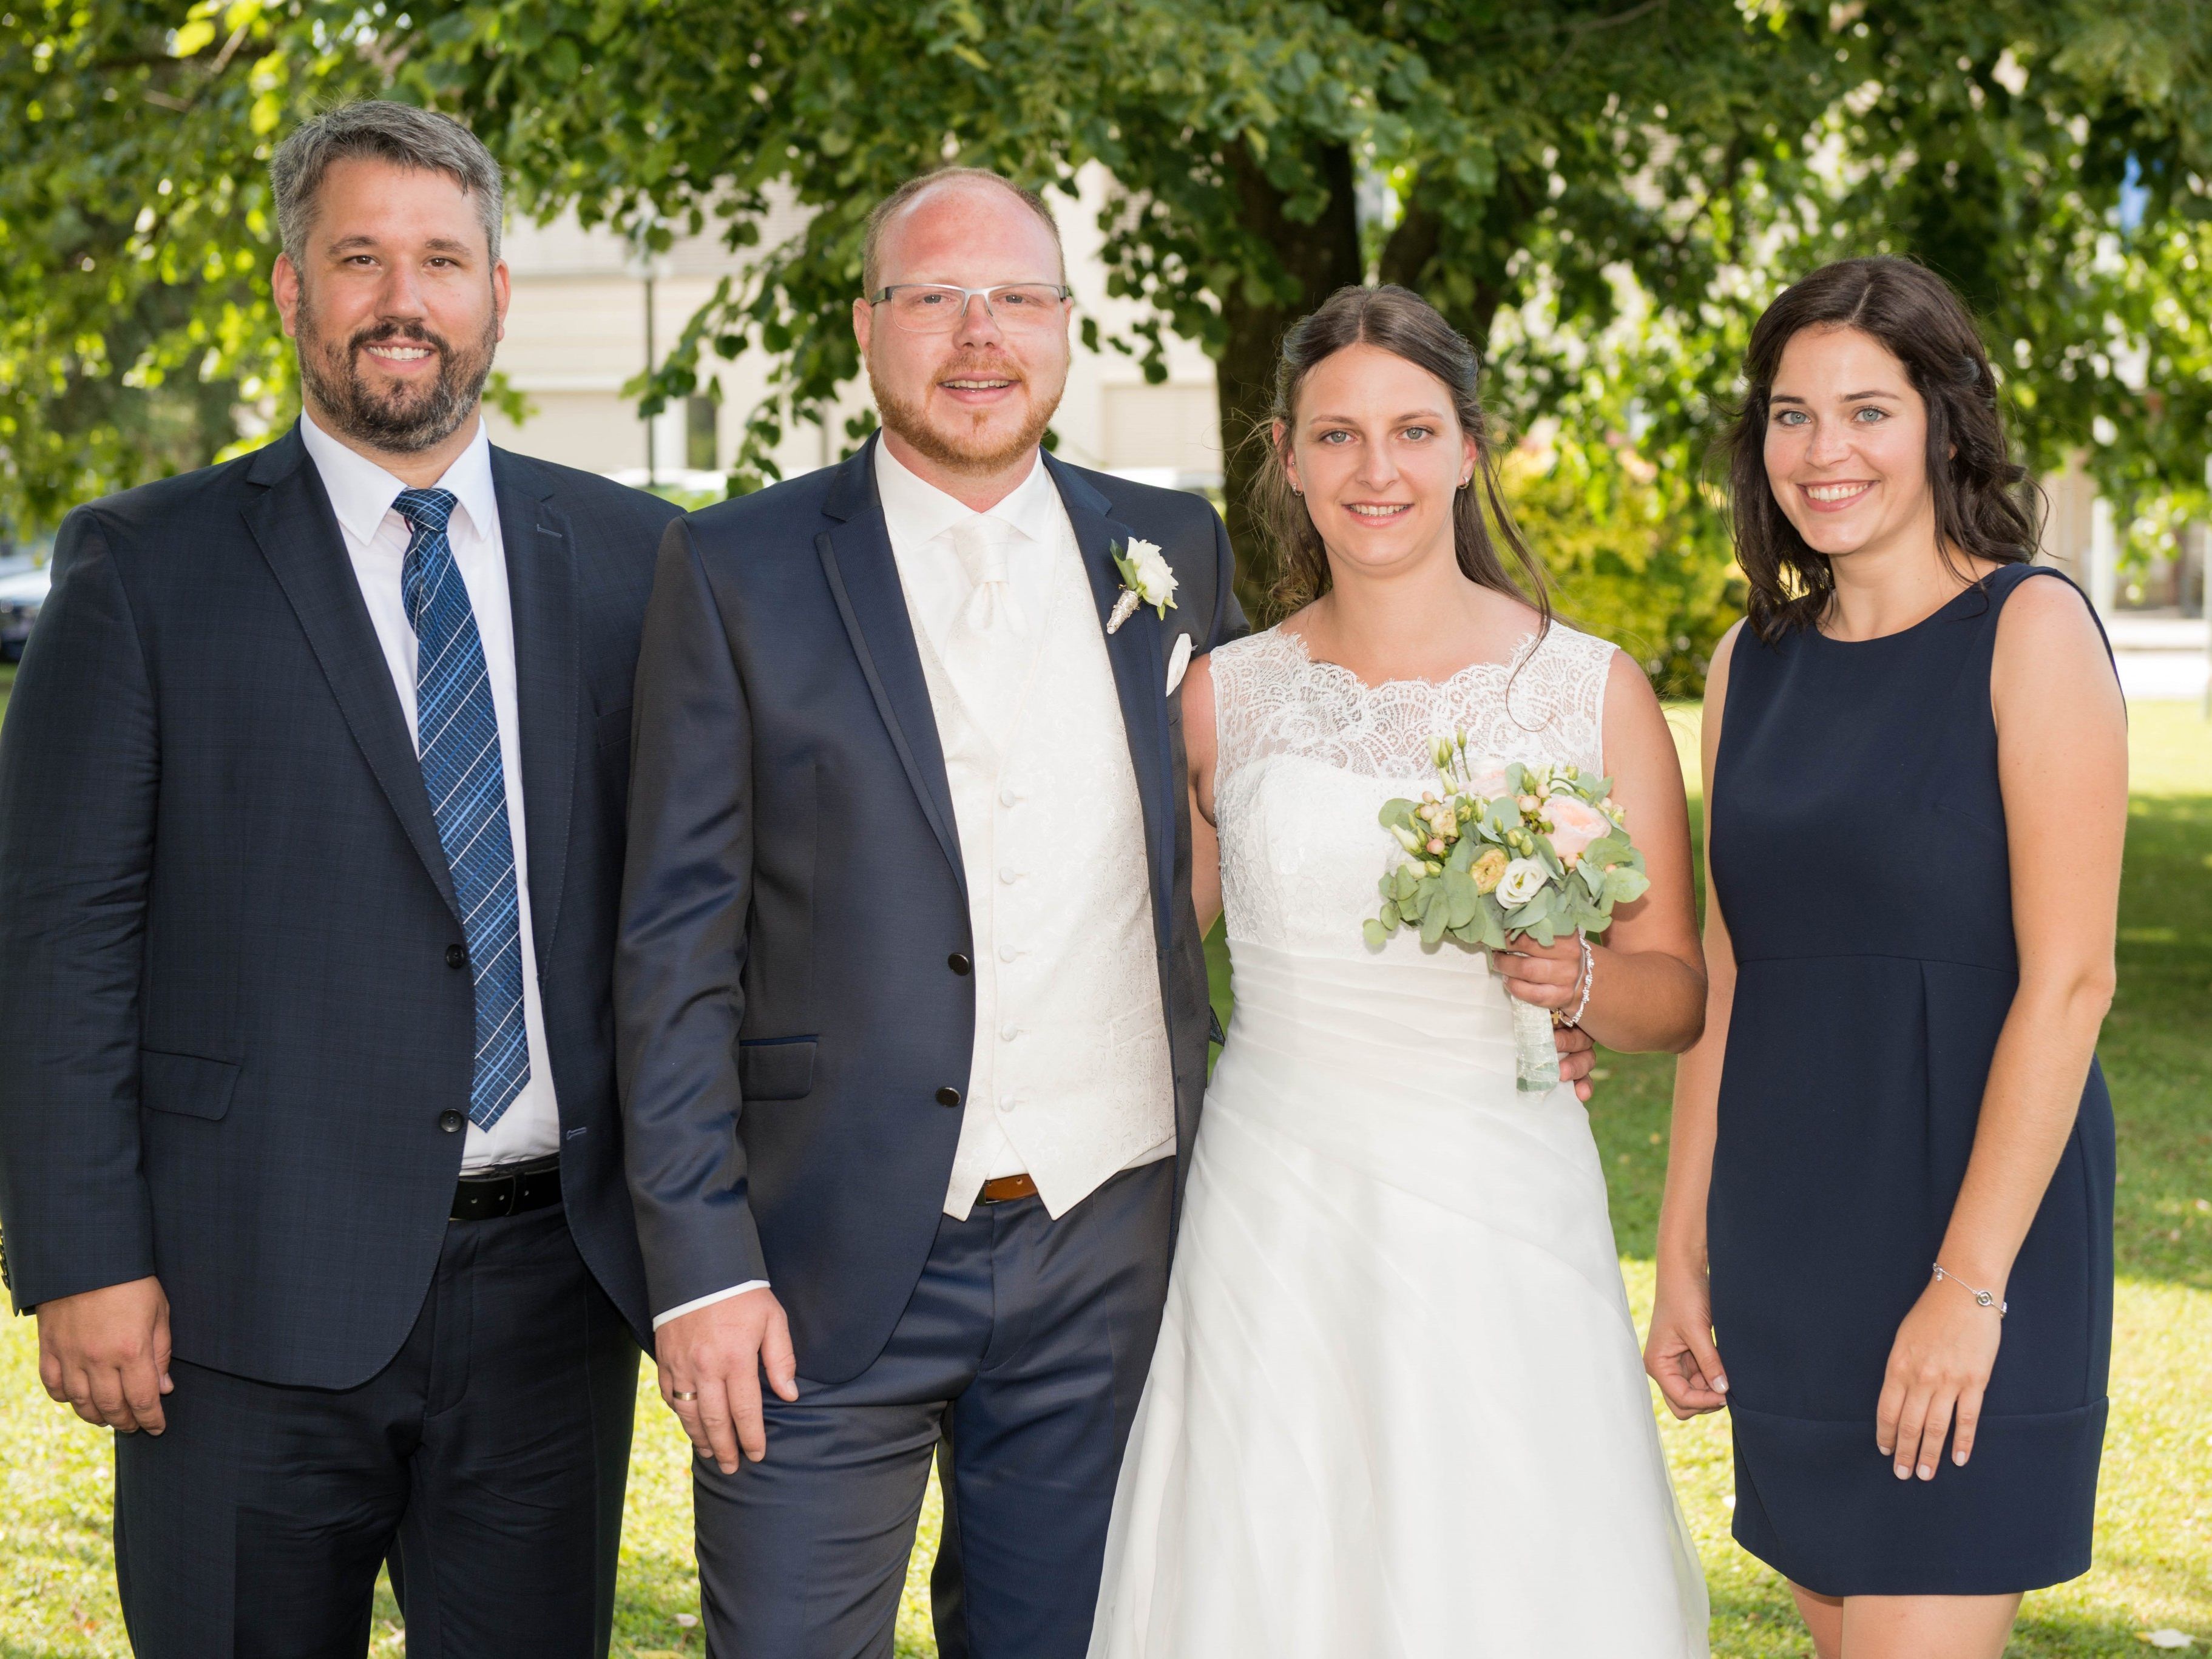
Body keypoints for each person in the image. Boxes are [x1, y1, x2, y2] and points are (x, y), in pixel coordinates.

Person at [614, 174, 1603, 1658]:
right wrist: (703, 1266)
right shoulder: (734, 565)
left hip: (1115, 1256)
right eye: (933, 297)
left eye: (1015, 298)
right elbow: (671, 947)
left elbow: (1264, 847)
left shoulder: (1167, 550)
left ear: (1065, 329)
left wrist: (1506, 1009)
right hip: (816, 1255)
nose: (976, 333)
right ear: (867, 327)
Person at [0, 102, 677, 1656]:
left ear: (497, 293)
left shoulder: (639, 563)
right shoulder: (144, 566)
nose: (403, 297)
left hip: (549, 1294)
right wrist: (86, 1259)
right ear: (293, 290)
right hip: (241, 1298)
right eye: (359, 256)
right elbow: (59, 944)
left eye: (441, 258)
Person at [1089, 283, 1711, 1658]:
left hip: (1498, 1193)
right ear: (1285, 455)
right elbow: (1139, 954)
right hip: (1274, 1200)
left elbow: (1674, 986)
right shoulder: (1222, 694)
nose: (1378, 471)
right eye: (1339, 435)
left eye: (1414, 430)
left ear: (1469, 449)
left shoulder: (1582, 687)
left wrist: (1578, 984)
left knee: (1502, 1564)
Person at [1644, 256, 2125, 1659]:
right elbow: (1732, 978)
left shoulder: (2027, 629)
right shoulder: (1749, 661)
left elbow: (2071, 981)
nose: (1822, 450)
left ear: (1941, 422)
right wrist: (1682, 1249)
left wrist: (1963, 1284)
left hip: (1978, 1234)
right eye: (1789, 414)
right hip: (1792, 1239)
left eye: (1865, 409)